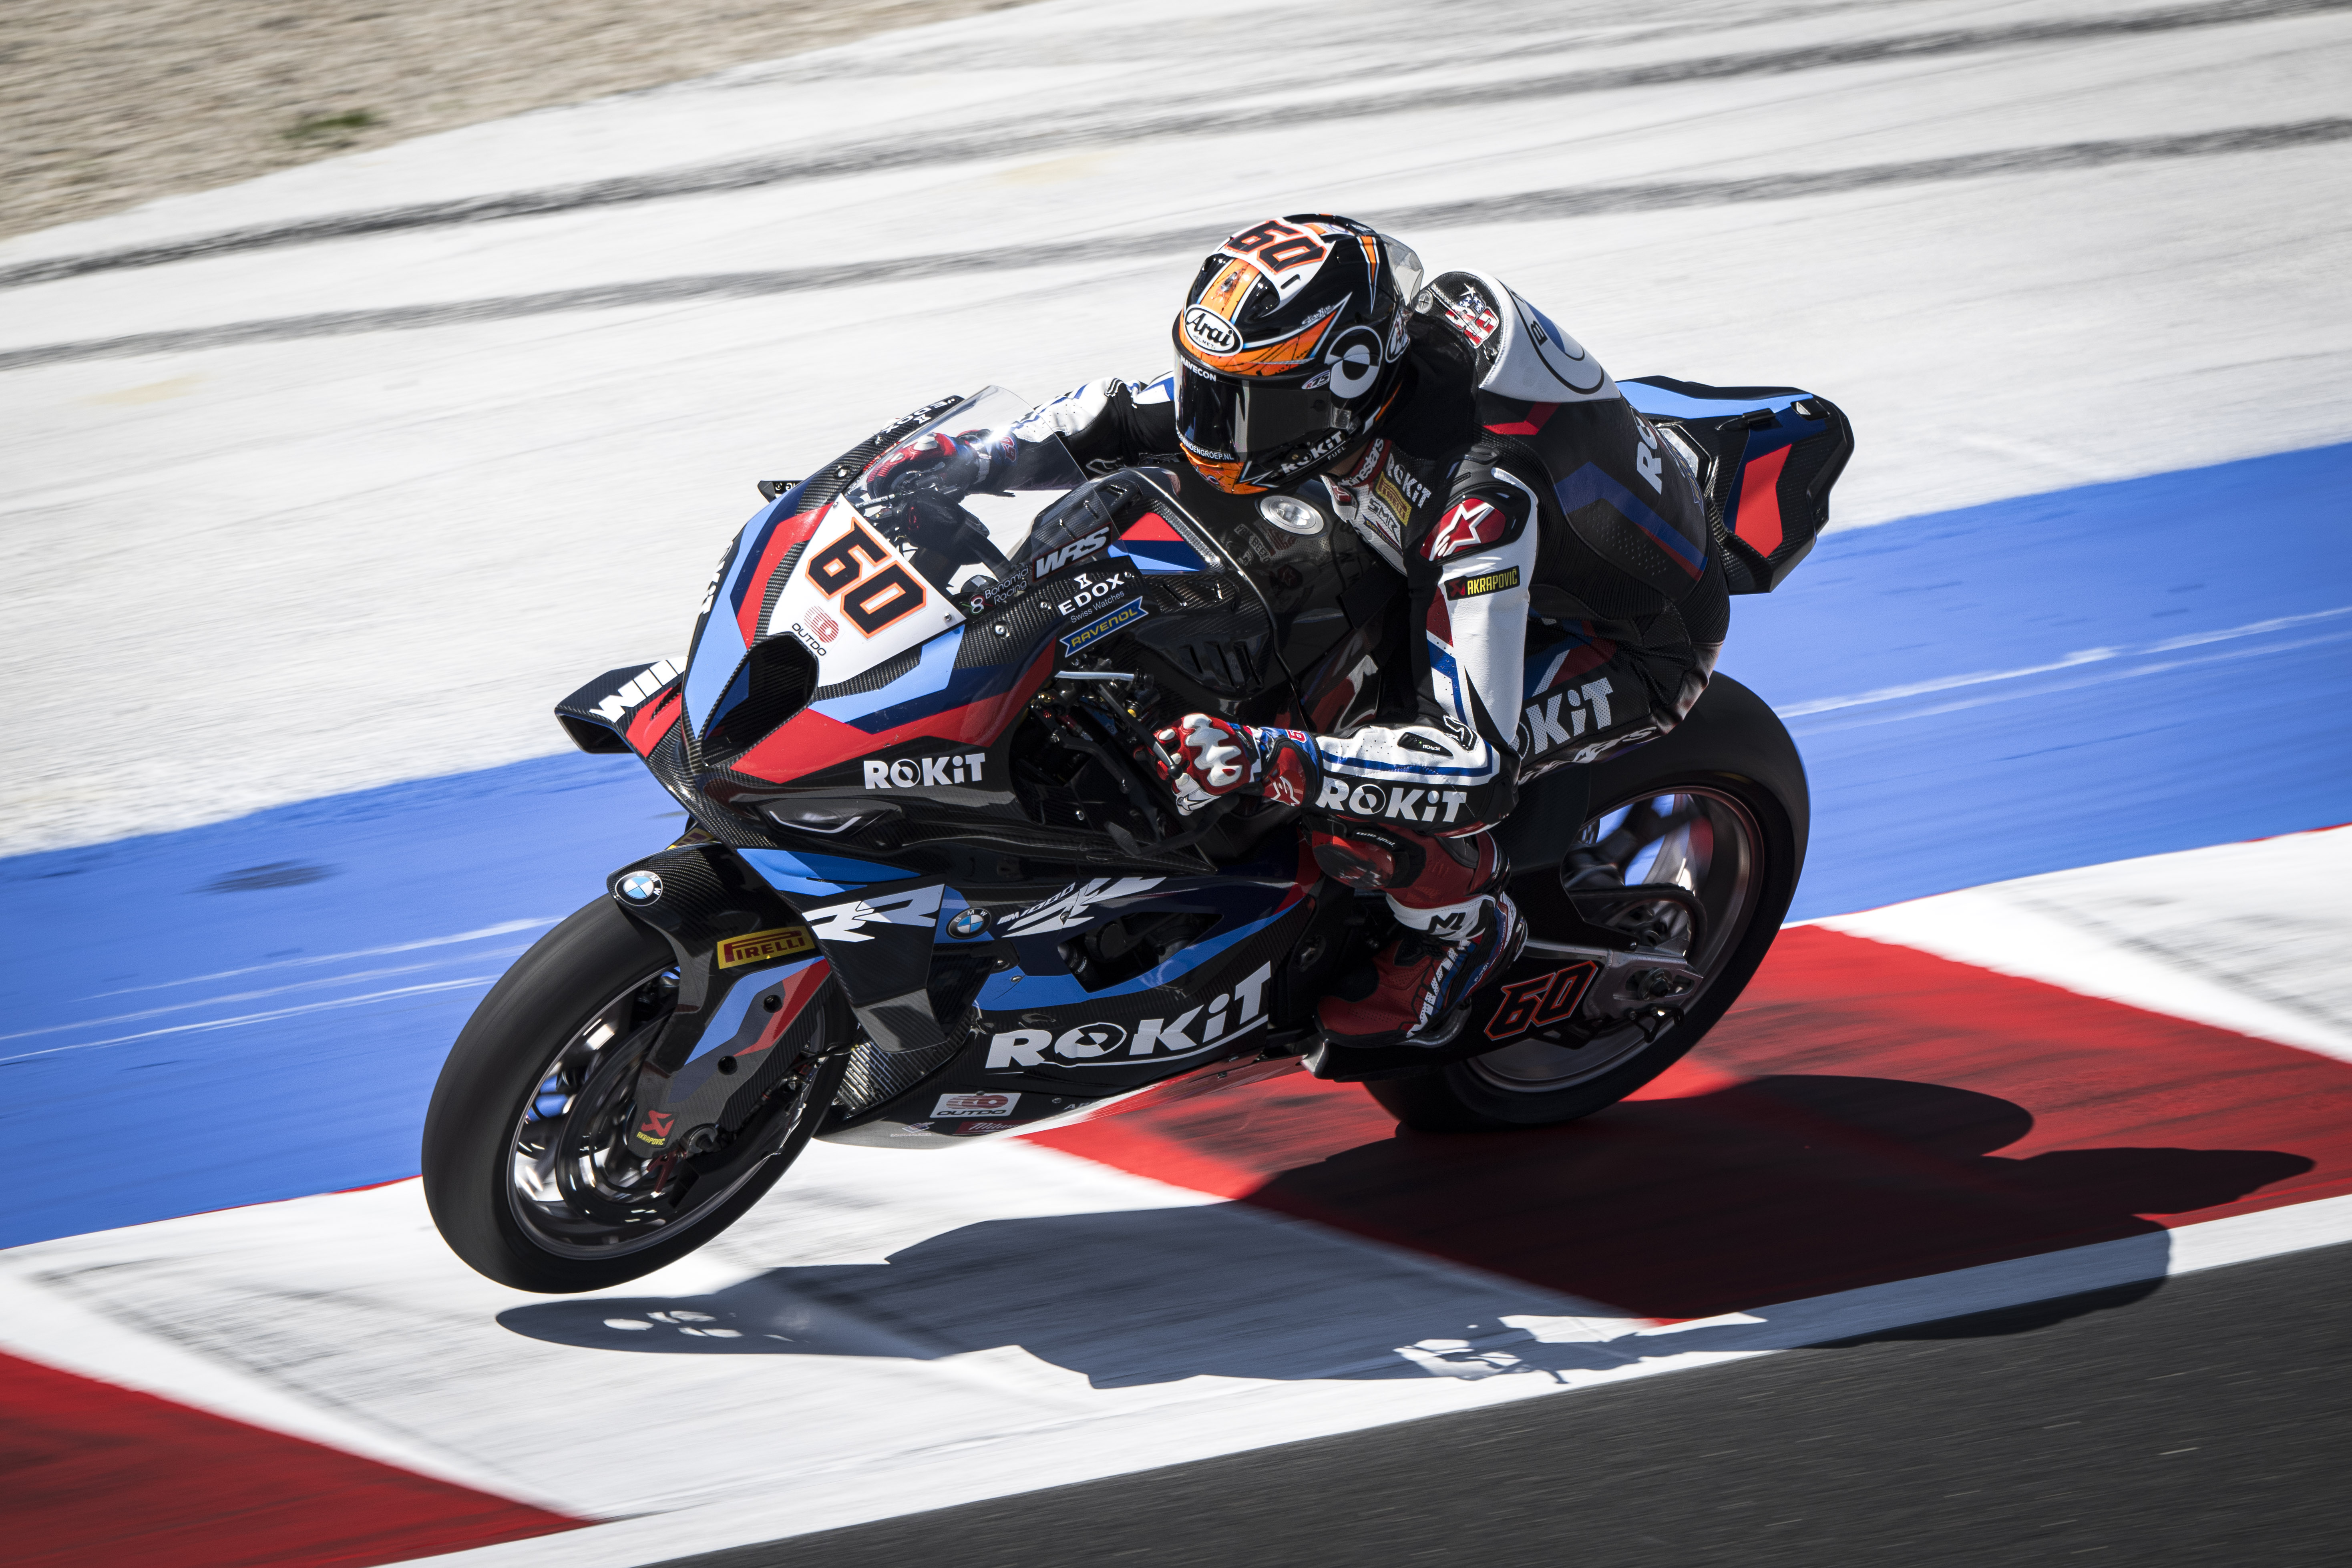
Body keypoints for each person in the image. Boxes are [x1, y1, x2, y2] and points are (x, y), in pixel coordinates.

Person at [880, 214, 1728, 1049]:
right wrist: (972, 458)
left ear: (1340, 386)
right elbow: (1125, 415)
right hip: (1430, 537)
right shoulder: (1325, 386)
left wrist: (1264, 759)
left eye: (1244, 405)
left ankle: (1458, 932)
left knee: (1358, 789)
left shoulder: (1476, 508)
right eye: (1210, 388)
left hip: (1614, 641)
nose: (1210, 423)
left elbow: (1472, 766)